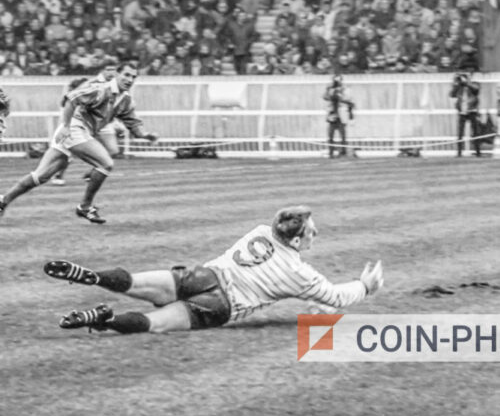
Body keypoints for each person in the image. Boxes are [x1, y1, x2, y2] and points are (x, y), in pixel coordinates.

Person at [43, 205, 384, 334]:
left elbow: (282, 220)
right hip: (222, 306)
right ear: (296, 241)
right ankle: (104, 320)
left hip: (205, 275)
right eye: (311, 231)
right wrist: (365, 286)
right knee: (153, 324)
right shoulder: (298, 274)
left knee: (132, 281)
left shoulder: (260, 232)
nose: (316, 234)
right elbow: (336, 295)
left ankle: (96, 278)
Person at [0, 61, 158, 223]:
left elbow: (134, 125)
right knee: (106, 163)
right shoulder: (101, 88)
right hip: (74, 128)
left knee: (41, 176)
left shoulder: (126, 101)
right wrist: (67, 126)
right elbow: (71, 99)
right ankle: (85, 206)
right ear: (116, 75)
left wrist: (146, 135)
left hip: (78, 132)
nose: (130, 79)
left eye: (133, 77)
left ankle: (3, 201)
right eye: (126, 75)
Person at [51, 64, 125, 186]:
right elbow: (71, 98)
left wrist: (117, 123)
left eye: (114, 70)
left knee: (113, 150)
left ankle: (90, 174)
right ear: (103, 71)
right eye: (108, 69)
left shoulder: (115, 86)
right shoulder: (91, 84)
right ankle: (59, 174)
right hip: (85, 121)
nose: (111, 73)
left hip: (102, 122)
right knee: (70, 151)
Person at [449, 71, 481, 157]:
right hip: (462, 112)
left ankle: (478, 152)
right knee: (460, 134)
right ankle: (459, 153)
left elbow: (476, 90)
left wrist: (467, 83)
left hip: (472, 111)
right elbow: (452, 94)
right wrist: (455, 82)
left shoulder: (475, 84)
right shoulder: (459, 86)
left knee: (475, 133)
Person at [323, 75, 355, 158]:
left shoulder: (346, 89)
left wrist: (340, 93)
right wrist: (329, 90)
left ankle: (343, 152)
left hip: (341, 114)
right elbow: (325, 97)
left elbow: (348, 99)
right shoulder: (330, 89)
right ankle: (331, 152)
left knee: (342, 135)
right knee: (330, 134)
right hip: (332, 114)